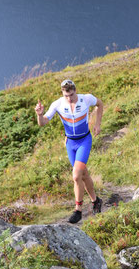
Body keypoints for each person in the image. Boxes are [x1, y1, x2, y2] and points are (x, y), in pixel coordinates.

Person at [35, 79, 103, 224]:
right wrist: (40, 115)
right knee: (83, 175)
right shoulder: (58, 104)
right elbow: (43, 123)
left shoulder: (86, 99)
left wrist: (97, 124)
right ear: (62, 93)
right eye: (66, 96)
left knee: (76, 174)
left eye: (71, 95)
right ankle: (96, 201)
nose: (69, 98)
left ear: (75, 91)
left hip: (84, 140)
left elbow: (100, 104)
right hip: (70, 143)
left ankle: (78, 210)